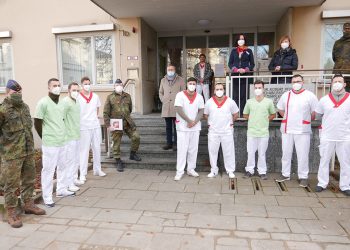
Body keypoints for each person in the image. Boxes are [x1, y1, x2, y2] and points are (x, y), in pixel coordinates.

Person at [0, 80, 46, 228]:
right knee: (11, 185)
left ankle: (28, 204)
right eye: (15, 93)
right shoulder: (3, 110)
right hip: (11, 155)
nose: (18, 95)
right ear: (7, 93)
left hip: (27, 151)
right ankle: (11, 212)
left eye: (19, 92)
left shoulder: (25, 107)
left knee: (29, 179)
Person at [34, 78, 74, 207]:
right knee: (48, 170)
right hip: (50, 142)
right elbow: (37, 122)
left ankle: (61, 190)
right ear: (49, 88)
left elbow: (61, 119)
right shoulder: (43, 103)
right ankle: (47, 197)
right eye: (54, 85)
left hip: (62, 140)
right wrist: (44, 136)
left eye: (58, 85)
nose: (57, 87)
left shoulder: (61, 103)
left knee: (63, 166)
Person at [276, 74, 318, 187]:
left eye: (298, 81)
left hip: (302, 130)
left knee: (303, 154)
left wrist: (307, 120)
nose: (296, 83)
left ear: (303, 82)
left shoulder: (310, 95)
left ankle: (303, 176)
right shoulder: (286, 95)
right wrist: (287, 118)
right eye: (294, 81)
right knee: (286, 153)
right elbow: (280, 108)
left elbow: (315, 112)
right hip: (287, 129)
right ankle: (285, 174)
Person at [315, 74, 350, 195]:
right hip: (327, 135)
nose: (337, 84)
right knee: (324, 160)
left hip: (345, 136)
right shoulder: (324, 99)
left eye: (340, 81)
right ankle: (322, 183)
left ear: (344, 84)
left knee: (345, 162)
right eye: (335, 81)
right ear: (331, 84)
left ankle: (345, 185)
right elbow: (318, 116)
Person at [103, 79, 141, 172]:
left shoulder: (127, 96)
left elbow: (130, 109)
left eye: (120, 84)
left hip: (127, 122)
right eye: (117, 85)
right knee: (116, 142)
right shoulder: (110, 97)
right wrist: (108, 125)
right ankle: (118, 160)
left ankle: (133, 153)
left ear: (122, 86)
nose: (119, 86)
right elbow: (105, 112)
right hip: (116, 123)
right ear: (114, 86)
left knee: (136, 137)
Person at [204, 83, 239, 179]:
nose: (219, 91)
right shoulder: (209, 102)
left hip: (227, 131)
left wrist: (230, 122)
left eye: (221, 89)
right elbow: (205, 115)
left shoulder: (230, 101)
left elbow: (236, 114)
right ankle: (214, 170)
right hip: (213, 131)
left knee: (229, 152)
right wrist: (211, 123)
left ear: (224, 90)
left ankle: (230, 170)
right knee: (212, 151)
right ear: (214, 91)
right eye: (217, 89)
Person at [243, 80, 276, 179]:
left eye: (259, 88)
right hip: (252, 132)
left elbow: (273, 114)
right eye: (256, 88)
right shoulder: (249, 102)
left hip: (263, 132)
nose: (258, 90)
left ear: (263, 88)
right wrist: (253, 119)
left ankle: (262, 171)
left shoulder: (269, 102)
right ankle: (249, 170)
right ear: (254, 89)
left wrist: (266, 119)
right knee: (250, 152)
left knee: (262, 153)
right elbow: (245, 114)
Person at [173, 77, 204, 181]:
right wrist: (189, 121)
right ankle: (179, 171)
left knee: (193, 150)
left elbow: (201, 110)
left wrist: (194, 122)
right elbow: (178, 108)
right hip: (183, 127)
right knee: (182, 150)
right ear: (187, 84)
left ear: (196, 85)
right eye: (190, 83)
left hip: (195, 127)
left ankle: (191, 169)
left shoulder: (199, 96)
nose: (192, 85)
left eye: (194, 84)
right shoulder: (180, 95)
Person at [77, 76, 106, 183]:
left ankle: (97, 169)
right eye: (85, 83)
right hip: (83, 127)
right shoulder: (78, 97)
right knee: (84, 150)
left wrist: (94, 117)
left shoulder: (95, 96)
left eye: (89, 83)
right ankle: (83, 174)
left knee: (97, 148)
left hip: (95, 125)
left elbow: (97, 108)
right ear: (81, 85)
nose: (87, 85)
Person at [159, 65, 186, 151]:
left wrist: (180, 103)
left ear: (175, 70)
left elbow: (184, 92)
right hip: (166, 106)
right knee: (168, 127)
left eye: (172, 69)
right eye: (169, 69)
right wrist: (163, 99)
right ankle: (169, 143)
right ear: (166, 70)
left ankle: (176, 144)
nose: (170, 71)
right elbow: (160, 92)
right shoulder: (163, 80)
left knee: (176, 126)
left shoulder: (180, 80)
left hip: (176, 107)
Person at [62, 82, 82, 190]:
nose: (76, 92)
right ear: (68, 90)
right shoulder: (65, 102)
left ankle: (74, 178)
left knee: (76, 159)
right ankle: (69, 184)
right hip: (69, 137)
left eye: (78, 90)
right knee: (69, 161)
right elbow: (61, 118)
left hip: (76, 134)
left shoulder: (77, 101)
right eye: (74, 90)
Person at [228, 34, 255, 115]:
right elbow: (230, 63)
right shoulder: (233, 51)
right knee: (236, 95)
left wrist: (246, 69)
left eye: (242, 39)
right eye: (239, 39)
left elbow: (252, 64)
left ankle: (243, 114)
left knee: (244, 95)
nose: (241, 40)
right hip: (235, 76)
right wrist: (236, 69)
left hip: (245, 76)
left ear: (245, 40)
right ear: (237, 41)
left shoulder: (249, 51)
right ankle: (236, 114)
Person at [332, 23, 350, 92]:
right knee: (336, 95)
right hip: (338, 72)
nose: (347, 30)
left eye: (349, 29)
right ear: (343, 30)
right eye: (345, 29)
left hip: (349, 75)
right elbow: (334, 57)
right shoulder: (337, 43)